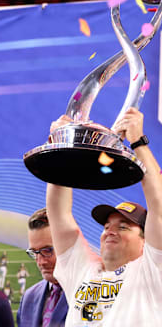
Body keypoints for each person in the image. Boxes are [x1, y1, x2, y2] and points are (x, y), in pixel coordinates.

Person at [46, 107, 162, 326]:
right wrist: (59, 148)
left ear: (145, 241)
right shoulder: (82, 270)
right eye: (107, 225)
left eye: (124, 227)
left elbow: (159, 207)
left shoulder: (152, 270)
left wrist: (138, 143)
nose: (110, 231)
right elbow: (59, 214)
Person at [17, 208, 68, 327]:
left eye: (47, 250)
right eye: (34, 252)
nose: (41, 261)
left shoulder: (97, 291)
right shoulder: (29, 297)